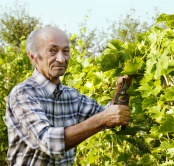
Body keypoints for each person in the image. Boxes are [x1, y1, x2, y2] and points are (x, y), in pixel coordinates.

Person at [4, 27, 131, 166]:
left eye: (65, 51)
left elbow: (109, 115)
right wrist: (103, 119)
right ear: (33, 57)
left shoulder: (72, 96)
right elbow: (49, 142)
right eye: (52, 51)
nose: (61, 58)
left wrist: (122, 87)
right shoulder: (23, 94)